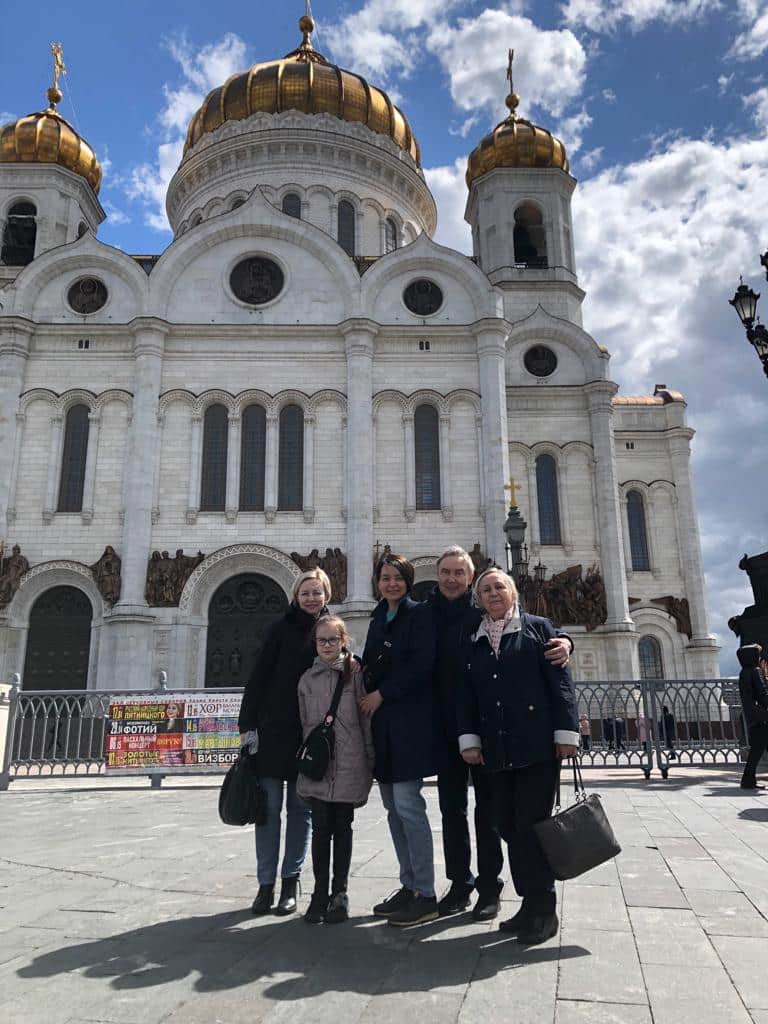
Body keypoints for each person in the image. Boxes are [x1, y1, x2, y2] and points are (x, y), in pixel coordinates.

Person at [424, 545, 573, 920]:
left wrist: (569, 641)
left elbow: (550, 641)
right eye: (446, 571)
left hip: (502, 736)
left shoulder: (491, 619)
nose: (452, 578)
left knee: (499, 815)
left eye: (460, 572)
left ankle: (494, 890)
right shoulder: (424, 614)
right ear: (438, 575)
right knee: (460, 811)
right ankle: (462, 885)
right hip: (453, 728)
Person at [458, 568, 579, 946]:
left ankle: (543, 908)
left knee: (532, 825)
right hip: (494, 747)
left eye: (500, 587)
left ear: (513, 593)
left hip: (536, 746)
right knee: (507, 824)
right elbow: (468, 693)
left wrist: (566, 733)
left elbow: (560, 684)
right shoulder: (474, 637)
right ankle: (530, 904)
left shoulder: (539, 628)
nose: (493, 593)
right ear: (478, 598)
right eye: (486, 589)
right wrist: (469, 739)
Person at [238, 568, 331, 917]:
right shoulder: (279, 629)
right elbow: (258, 678)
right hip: (274, 732)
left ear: (326, 596)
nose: (311, 598)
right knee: (268, 811)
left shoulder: (331, 631)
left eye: (317, 592)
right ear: (296, 595)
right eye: (305, 592)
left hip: (312, 735)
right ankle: (265, 885)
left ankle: (290, 881)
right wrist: (248, 726)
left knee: (301, 811)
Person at [361, 553, 439, 927]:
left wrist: (382, 694)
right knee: (393, 808)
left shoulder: (419, 615)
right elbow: (372, 662)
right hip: (383, 726)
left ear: (408, 580)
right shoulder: (379, 616)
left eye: (397, 577)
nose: (391, 583)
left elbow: (422, 667)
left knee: (408, 805)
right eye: (385, 577)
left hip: (408, 722)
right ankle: (409, 885)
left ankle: (426, 892)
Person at [297, 615, 374, 924]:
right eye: (321, 640)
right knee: (320, 829)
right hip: (319, 764)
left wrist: (369, 757)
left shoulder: (356, 675)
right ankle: (318, 894)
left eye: (333, 639)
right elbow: (303, 722)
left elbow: (366, 718)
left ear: (344, 641)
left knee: (343, 827)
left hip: (350, 761)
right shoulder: (306, 680)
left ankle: (339, 893)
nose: (327, 645)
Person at [737, 644, 768, 790]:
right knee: (756, 751)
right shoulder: (755, 671)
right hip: (762, 717)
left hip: (752, 717)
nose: (760, 657)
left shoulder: (744, 672)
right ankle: (747, 781)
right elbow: (761, 694)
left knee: (756, 750)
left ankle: (748, 781)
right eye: (758, 654)